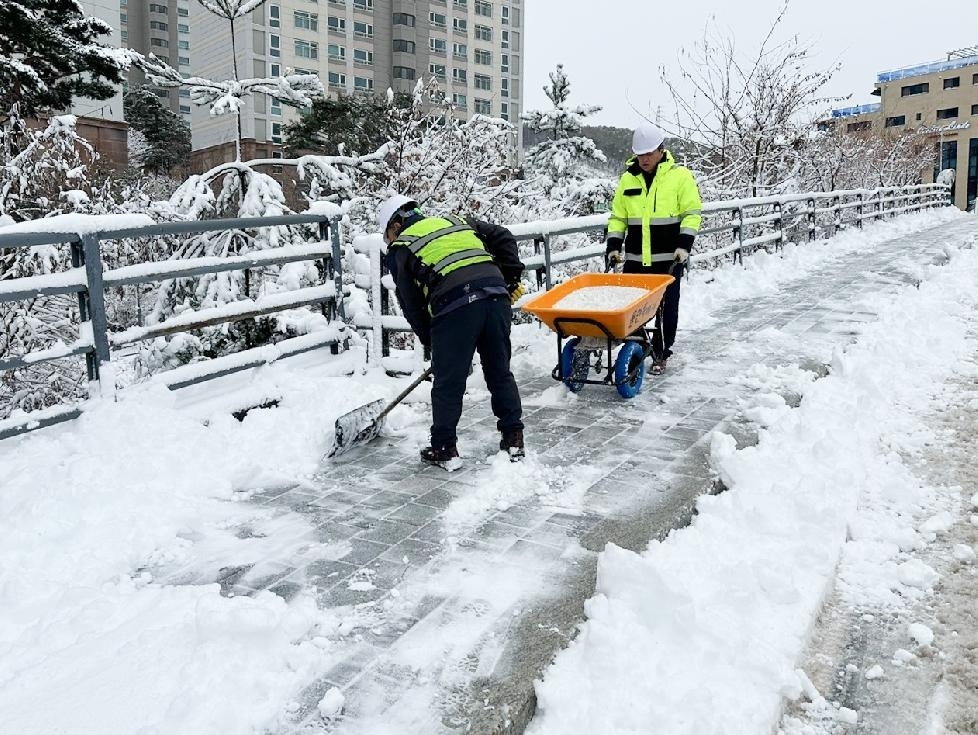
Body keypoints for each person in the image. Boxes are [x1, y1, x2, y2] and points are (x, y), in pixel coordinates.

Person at [377, 194, 527, 466]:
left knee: (448, 382)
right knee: (499, 371)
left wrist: (434, 344)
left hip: (455, 305)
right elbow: (503, 236)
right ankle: (514, 438)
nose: (389, 241)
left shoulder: (401, 248)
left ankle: (444, 447)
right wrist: (510, 278)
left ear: (396, 225)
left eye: (387, 235)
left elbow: (411, 305)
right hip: (496, 297)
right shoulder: (456, 221)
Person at [605, 122, 702, 374]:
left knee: (666, 309)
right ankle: (636, 348)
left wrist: (684, 245)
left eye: (649, 154)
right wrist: (614, 246)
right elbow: (618, 218)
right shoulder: (628, 179)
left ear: (661, 150)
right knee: (631, 308)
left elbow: (691, 214)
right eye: (640, 154)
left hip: (669, 259)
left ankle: (661, 352)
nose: (644, 159)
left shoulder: (680, 177)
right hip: (636, 259)